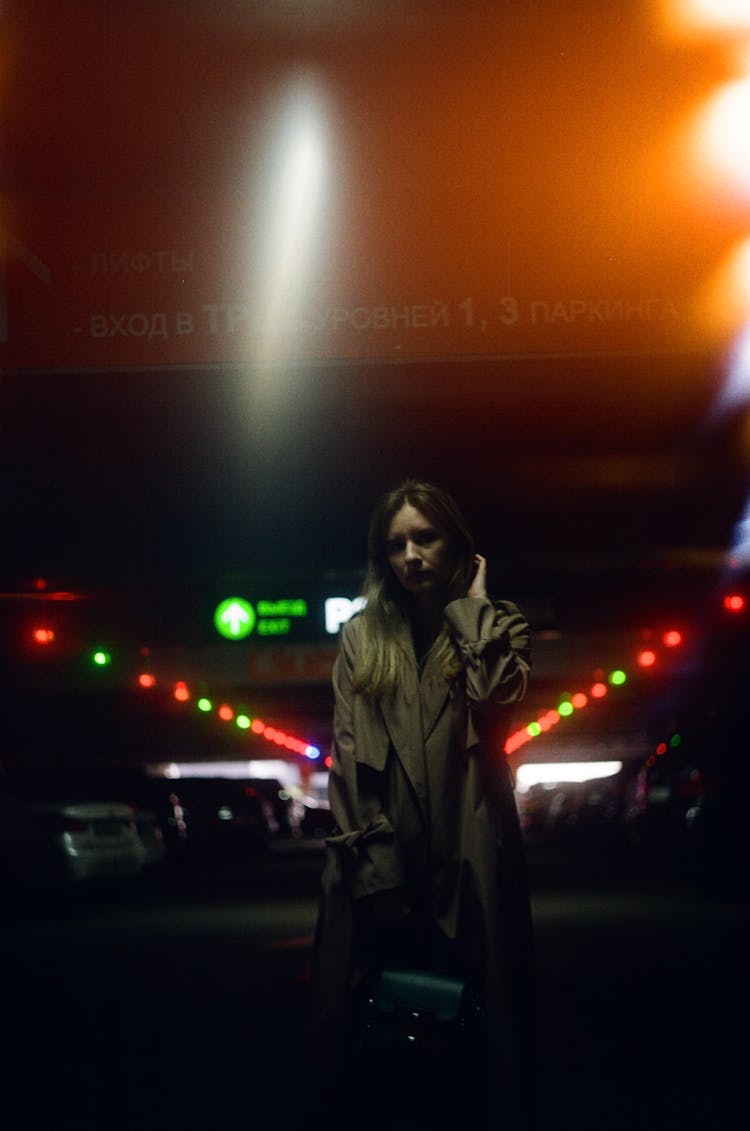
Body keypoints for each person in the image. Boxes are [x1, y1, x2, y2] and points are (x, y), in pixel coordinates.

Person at [307, 480, 536, 1129]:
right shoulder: (362, 638)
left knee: (478, 1047)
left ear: (457, 542)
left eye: (424, 537)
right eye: (396, 544)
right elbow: (350, 763)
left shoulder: (500, 624)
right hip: (383, 869)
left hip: (472, 865)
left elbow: (496, 696)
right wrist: (382, 884)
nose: (410, 554)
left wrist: (473, 611)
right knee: (377, 1052)